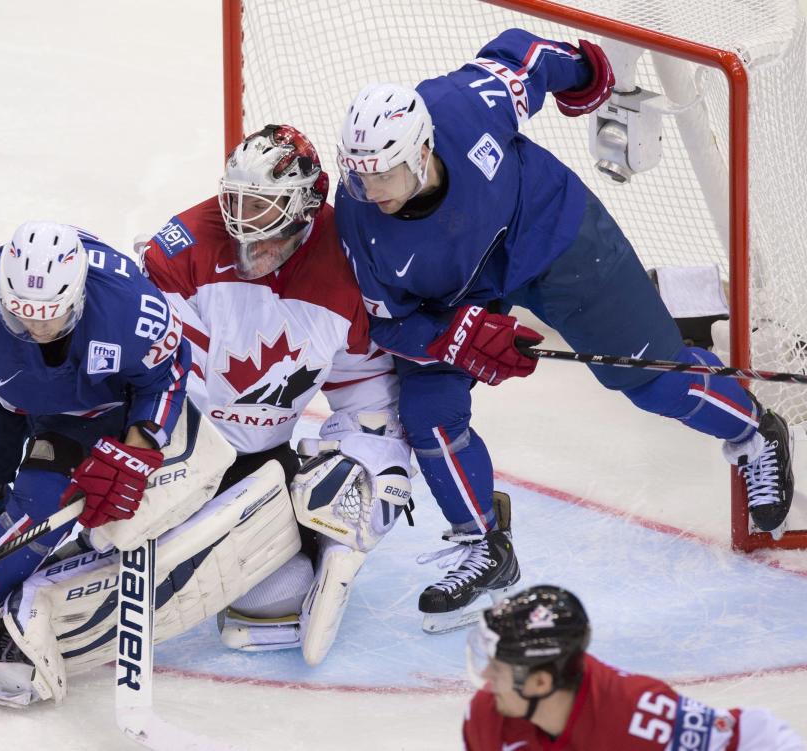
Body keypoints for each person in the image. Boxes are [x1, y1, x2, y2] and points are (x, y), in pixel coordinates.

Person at [333, 29, 794, 633]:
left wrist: (587, 73)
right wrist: (454, 337)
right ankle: (484, 547)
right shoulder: (360, 218)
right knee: (430, 417)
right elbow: (389, 322)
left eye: (382, 175)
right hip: (451, 299)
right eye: (357, 173)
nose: (368, 190)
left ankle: (754, 433)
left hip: (553, 236)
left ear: (422, 152)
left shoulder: (461, 107)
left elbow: (521, 57)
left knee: (651, 377)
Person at [133, 123, 415, 664]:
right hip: (181, 452)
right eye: (237, 201)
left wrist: (369, 465)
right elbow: (159, 386)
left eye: (264, 208)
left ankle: (308, 535)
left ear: (306, 205)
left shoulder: (350, 266)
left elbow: (367, 393)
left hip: (260, 464)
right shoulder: (184, 249)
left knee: (272, 595)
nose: (244, 224)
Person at [0, 220, 190, 707]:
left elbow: (169, 373)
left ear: (78, 295)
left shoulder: (133, 308)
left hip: (91, 406)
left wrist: (138, 448)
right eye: (22, 318)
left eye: (50, 317)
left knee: (45, 498)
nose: (37, 329)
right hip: (2, 400)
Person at [463, 584, 806, 750]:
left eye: (498, 668)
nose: (487, 679)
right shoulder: (486, 717)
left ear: (539, 682)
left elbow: (758, 737)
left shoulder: (642, 717)